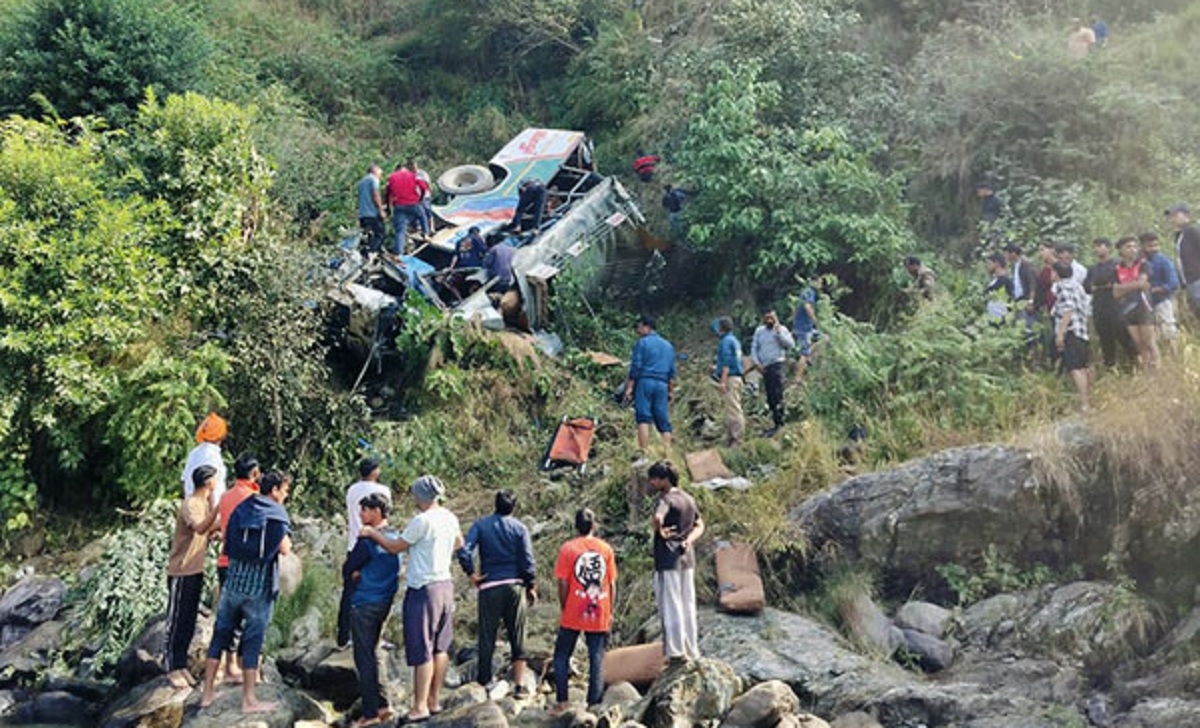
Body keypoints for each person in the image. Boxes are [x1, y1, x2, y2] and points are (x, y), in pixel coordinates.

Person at [362, 475, 463, 724]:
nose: (414, 498)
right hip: (445, 584)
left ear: (422, 496)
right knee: (441, 646)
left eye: (415, 494)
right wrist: (438, 553)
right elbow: (459, 543)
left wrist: (372, 534)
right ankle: (434, 700)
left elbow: (395, 546)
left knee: (422, 648)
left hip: (424, 588)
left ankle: (419, 706)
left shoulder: (422, 521)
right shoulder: (449, 517)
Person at [201, 470, 293, 713]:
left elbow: (227, 541)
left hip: (232, 584)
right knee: (252, 642)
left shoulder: (243, 507)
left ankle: (207, 694)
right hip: (258, 589)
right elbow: (284, 548)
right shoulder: (276, 513)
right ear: (274, 490)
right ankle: (249, 700)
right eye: (284, 490)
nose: (285, 495)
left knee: (220, 637)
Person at [456, 490, 537, 696]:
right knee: (517, 635)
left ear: (495, 504)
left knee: (487, 636)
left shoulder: (481, 525)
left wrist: (471, 573)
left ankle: (484, 682)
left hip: (489, 586)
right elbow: (527, 560)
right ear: (514, 507)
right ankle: (519, 685)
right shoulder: (519, 528)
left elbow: (464, 550)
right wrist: (531, 585)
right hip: (514, 586)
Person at [552, 507, 617, 713]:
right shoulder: (605, 549)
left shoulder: (568, 549)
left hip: (573, 608)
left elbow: (562, 583)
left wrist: (564, 606)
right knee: (596, 656)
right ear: (593, 526)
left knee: (562, 655)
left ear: (575, 526)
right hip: (600, 608)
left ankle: (562, 701)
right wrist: (610, 610)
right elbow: (612, 583)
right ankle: (594, 703)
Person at [345, 493, 401, 728]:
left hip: (365, 601)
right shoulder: (395, 537)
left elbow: (348, 567)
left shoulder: (367, 540)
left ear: (377, 512)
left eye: (365, 510)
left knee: (364, 656)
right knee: (376, 651)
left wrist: (354, 573)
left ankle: (369, 713)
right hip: (385, 602)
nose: (360, 515)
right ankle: (383, 703)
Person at [164, 464, 221, 689]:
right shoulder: (191, 504)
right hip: (181, 571)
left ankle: (181, 664)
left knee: (188, 621)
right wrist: (217, 509)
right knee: (176, 620)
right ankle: (170, 667)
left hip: (196, 571)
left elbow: (207, 531)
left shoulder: (204, 504)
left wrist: (219, 530)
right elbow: (199, 528)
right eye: (215, 479)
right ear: (208, 482)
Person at [213, 453, 263, 685]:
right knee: (250, 616)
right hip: (246, 565)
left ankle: (230, 664)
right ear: (254, 474)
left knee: (228, 616)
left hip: (224, 561)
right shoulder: (253, 497)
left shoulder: (225, 497)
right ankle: (243, 666)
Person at [648, 460, 703, 664]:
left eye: (654, 478)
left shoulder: (666, 499)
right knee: (688, 603)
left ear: (664, 480)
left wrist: (659, 530)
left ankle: (676, 651)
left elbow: (657, 518)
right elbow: (699, 524)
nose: (652, 482)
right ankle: (692, 648)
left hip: (667, 557)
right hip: (686, 557)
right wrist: (689, 539)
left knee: (671, 604)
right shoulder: (688, 499)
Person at [337, 458, 392, 649]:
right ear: (375, 472)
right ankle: (375, 637)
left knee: (349, 592)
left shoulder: (352, 490)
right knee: (375, 590)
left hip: (354, 543)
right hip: (375, 544)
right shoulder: (383, 491)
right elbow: (385, 515)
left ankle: (344, 635)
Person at [623, 315, 677, 450]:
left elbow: (636, 367)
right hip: (662, 384)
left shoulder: (642, 343)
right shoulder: (668, 346)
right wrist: (670, 391)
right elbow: (671, 372)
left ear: (647, 327)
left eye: (640, 327)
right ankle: (667, 454)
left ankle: (644, 453)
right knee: (662, 419)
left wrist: (629, 387)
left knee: (643, 417)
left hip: (645, 382)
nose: (638, 330)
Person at [1084, 238, 1137, 370]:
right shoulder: (1093, 268)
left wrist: (1109, 286)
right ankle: (1110, 368)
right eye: (1095, 246)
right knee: (1105, 339)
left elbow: (1124, 282)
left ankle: (1135, 364)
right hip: (1099, 307)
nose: (1097, 249)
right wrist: (1095, 287)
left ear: (1108, 248)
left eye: (1100, 246)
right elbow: (1086, 286)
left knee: (1123, 336)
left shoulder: (1117, 265)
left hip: (1116, 306)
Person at [1113, 236, 1159, 372]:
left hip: (1143, 306)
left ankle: (1157, 372)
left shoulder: (1143, 264)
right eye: (1128, 247)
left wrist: (1124, 287)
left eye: (1134, 246)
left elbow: (1142, 283)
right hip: (1127, 309)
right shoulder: (1116, 269)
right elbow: (1115, 293)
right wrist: (1135, 285)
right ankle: (1145, 372)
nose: (1132, 249)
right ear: (1120, 250)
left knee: (1149, 342)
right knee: (1139, 343)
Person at [1051, 261, 1093, 411]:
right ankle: (1089, 398)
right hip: (1082, 331)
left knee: (1075, 368)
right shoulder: (1077, 286)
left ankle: (1084, 402)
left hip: (1071, 331)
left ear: (1056, 273)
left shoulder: (1062, 287)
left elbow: (1067, 310)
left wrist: (1060, 334)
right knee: (1084, 366)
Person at [750, 309, 795, 437]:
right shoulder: (759, 331)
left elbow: (790, 344)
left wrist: (778, 332)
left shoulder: (782, 329)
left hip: (777, 365)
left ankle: (781, 424)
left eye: (772, 318)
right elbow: (754, 348)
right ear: (764, 319)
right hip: (764, 367)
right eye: (767, 318)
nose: (769, 320)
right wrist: (756, 363)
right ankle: (775, 424)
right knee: (770, 397)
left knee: (777, 395)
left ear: (775, 318)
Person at [1140, 231, 1180, 356]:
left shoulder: (1164, 261)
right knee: (1151, 335)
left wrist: (1156, 289)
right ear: (1142, 246)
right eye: (1150, 246)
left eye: (1156, 245)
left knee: (1169, 330)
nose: (1154, 248)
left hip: (1162, 301)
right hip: (1144, 304)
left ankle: (1175, 357)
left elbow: (1173, 283)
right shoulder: (1138, 261)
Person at [711, 317, 745, 447]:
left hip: (730, 378)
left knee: (733, 409)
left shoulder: (725, 342)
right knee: (734, 407)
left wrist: (722, 381)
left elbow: (727, 363)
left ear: (721, 328)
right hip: (737, 377)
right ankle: (731, 438)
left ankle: (737, 440)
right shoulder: (735, 341)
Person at [386, 160, 430, 255]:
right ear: (405, 169)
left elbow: (388, 193)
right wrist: (421, 198)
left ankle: (399, 252)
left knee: (400, 231)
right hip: (413, 203)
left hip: (399, 205)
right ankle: (426, 234)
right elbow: (423, 187)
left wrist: (390, 207)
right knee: (423, 217)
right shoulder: (412, 175)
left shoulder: (391, 177)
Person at [182, 412, 228, 503]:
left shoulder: (194, 453)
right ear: (222, 435)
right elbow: (209, 487)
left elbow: (184, 482)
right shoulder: (212, 456)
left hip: (192, 507)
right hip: (207, 512)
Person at [1167, 203, 1200, 315]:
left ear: (1186, 215)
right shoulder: (1179, 235)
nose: (1172, 218)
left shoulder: (1193, 231)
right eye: (1171, 216)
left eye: (1176, 215)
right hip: (1188, 280)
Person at [356, 164, 388, 254]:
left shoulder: (361, 182)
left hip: (362, 214)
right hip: (372, 213)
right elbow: (375, 196)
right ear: (375, 172)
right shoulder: (373, 180)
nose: (380, 177)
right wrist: (381, 210)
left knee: (367, 236)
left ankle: (364, 253)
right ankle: (370, 252)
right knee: (380, 234)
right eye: (380, 174)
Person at [792, 279, 820, 378]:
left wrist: (794, 323)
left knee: (824, 338)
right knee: (803, 353)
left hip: (805, 327)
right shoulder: (809, 292)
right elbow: (807, 306)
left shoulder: (804, 292)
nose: (820, 284)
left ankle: (809, 358)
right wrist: (816, 321)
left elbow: (795, 309)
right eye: (819, 281)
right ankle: (797, 378)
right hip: (804, 329)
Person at [983, 253, 1013, 323]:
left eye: (989, 263)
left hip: (1001, 319)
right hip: (992, 318)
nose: (987, 266)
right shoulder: (994, 280)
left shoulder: (1005, 281)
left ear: (996, 263)